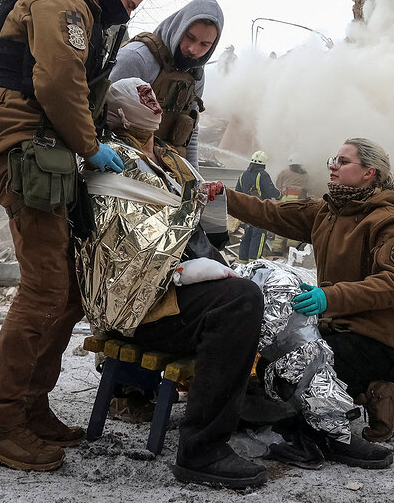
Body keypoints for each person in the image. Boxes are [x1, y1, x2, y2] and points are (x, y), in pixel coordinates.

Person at [0, 0, 152, 472]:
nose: (132, 10)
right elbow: (55, 81)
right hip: (25, 153)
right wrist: (91, 147)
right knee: (44, 288)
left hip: (45, 154)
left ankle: (28, 405)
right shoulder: (64, 5)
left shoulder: (85, 11)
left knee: (68, 289)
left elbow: (75, 89)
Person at [95, 78, 267, 489]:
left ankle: (294, 415)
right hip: (144, 305)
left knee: (274, 285)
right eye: (142, 96)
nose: (154, 100)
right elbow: (123, 245)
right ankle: (202, 450)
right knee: (240, 301)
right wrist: (187, 271)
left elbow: (200, 228)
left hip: (182, 286)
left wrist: (204, 203)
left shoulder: (170, 159)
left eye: (153, 93)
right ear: (118, 112)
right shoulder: (113, 160)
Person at [217, 138, 394, 445]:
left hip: (373, 339)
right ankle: (370, 392)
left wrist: (329, 297)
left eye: (343, 161)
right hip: (331, 327)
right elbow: (273, 213)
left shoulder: (389, 223)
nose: (333, 166)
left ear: (369, 173)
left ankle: (364, 399)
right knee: (271, 369)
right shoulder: (328, 211)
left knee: (294, 380)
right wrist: (223, 196)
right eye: (333, 160)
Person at [109, 0, 223, 168]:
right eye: (190, 37)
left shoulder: (196, 75)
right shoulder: (137, 58)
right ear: (179, 28)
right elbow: (101, 118)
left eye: (204, 44)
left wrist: (195, 181)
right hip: (122, 166)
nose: (193, 49)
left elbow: (190, 131)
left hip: (166, 170)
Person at [234, 151, 279, 263]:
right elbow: (271, 191)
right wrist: (279, 195)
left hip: (246, 212)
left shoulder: (243, 175)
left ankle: (243, 261)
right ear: (263, 164)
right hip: (259, 211)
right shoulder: (262, 175)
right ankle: (254, 262)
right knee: (259, 236)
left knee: (247, 236)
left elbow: (237, 192)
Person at [271, 157, 309, 255]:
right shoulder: (305, 175)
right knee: (294, 224)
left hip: (286, 199)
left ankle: (277, 250)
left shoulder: (284, 172)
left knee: (281, 223)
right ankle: (291, 249)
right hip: (299, 201)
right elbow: (306, 187)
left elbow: (278, 185)